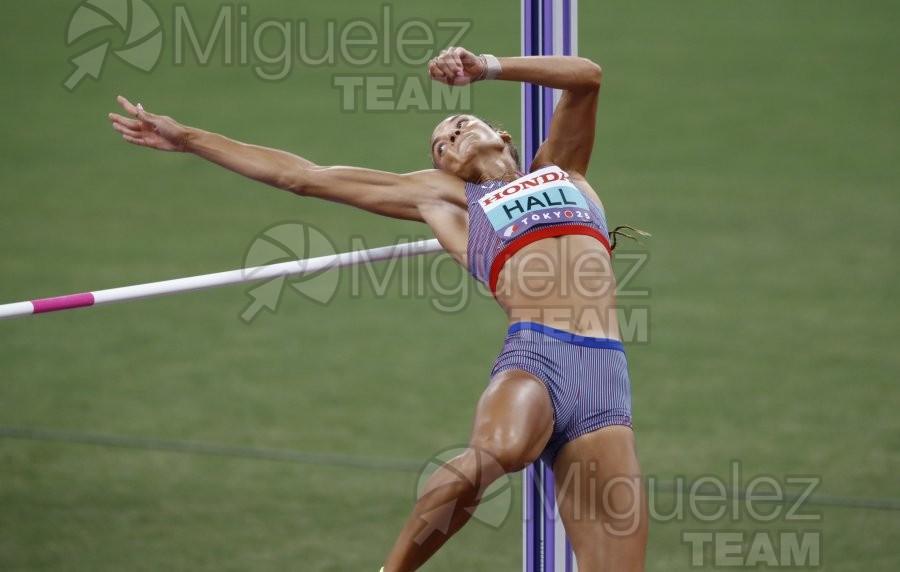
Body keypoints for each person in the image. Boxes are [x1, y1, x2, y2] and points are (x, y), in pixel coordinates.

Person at [109, 46, 648, 572]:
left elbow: (587, 76)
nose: (450, 136)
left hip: (606, 376)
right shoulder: (446, 199)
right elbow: (303, 176)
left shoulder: (564, 168)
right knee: (492, 456)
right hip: (540, 354)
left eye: (459, 123)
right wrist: (190, 139)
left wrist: (486, 67)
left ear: (502, 133)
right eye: (439, 145)